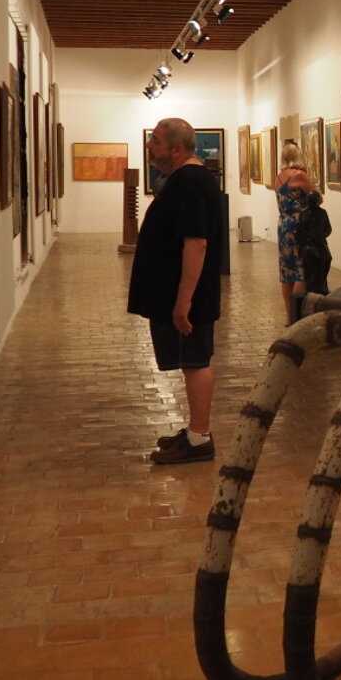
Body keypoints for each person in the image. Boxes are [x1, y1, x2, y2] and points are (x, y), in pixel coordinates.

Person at [128, 118, 223, 463]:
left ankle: (200, 439)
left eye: (155, 141)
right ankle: (196, 430)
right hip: (182, 293)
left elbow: (196, 243)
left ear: (177, 148)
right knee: (190, 361)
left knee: (196, 361)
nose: (150, 146)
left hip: (187, 296)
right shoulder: (186, 180)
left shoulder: (190, 182)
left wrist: (183, 302)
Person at [276, 141, 328, 322]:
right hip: (301, 227)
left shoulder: (279, 177)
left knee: (286, 273)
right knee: (302, 270)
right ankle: (300, 316)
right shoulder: (300, 175)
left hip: (283, 226)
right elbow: (317, 197)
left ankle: (290, 317)